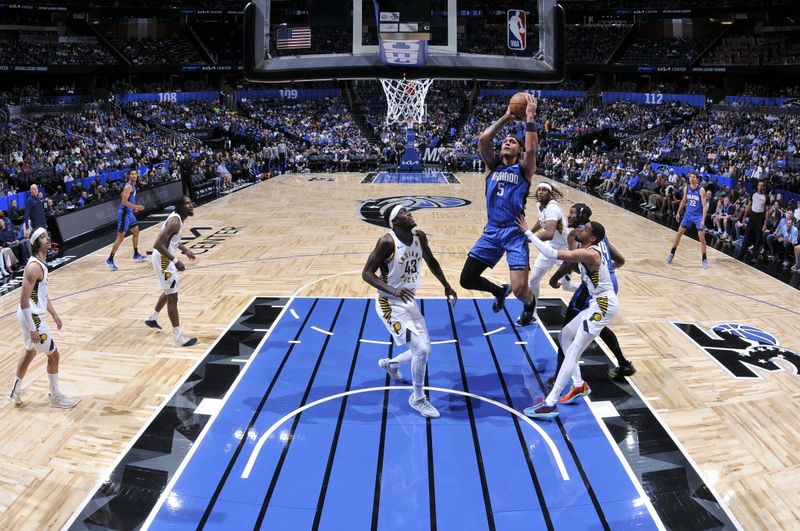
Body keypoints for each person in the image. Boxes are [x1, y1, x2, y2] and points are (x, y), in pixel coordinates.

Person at [516, 216, 618, 419]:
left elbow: (551, 252)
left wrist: (528, 232)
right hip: (597, 302)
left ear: (592, 238)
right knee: (564, 336)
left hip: (604, 305)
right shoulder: (588, 250)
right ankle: (579, 385)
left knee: (574, 350)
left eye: (586, 228)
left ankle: (550, 403)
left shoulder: (590, 254)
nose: (581, 228)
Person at [363, 205, 457, 418]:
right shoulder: (387, 242)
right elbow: (367, 274)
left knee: (426, 351)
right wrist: (393, 290)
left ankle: (392, 365)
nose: (410, 214)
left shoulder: (419, 236)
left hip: (408, 301)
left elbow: (431, 261)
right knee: (421, 350)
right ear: (395, 221)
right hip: (389, 303)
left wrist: (446, 285)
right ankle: (417, 398)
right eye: (405, 212)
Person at [459, 94, 538, 323]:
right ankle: (498, 291)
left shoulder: (524, 169)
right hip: (492, 231)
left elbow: (532, 151)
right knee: (467, 279)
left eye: (513, 142)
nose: (507, 142)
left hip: (514, 233)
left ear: (519, 149)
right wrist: (506, 117)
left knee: (521, 289)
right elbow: (484, 140)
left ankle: (530, 307)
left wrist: (529, 116)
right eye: (505, 141)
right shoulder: (491, 166)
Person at [547, 203, 635, 381]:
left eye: (571, 213)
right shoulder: (599, 234)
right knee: (597, 324)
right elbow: (620, 260)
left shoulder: (576, 234)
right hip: (610, 283)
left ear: (581, 216)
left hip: (592, 288)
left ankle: (559, 376)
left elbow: (571, 261)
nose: (568, 216)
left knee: (566, 331)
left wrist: (554, 278)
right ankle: (624, 364)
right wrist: (605, 270)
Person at [8, 227, 75, 408]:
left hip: (33, 314)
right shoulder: (34, 267)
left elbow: (42, 295)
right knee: (54, 356)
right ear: (36, 243)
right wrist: (33, 330)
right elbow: (23, 301)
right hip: (32, 317)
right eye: (43, 237)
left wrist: (54, 314)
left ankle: (15, 390)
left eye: (47, 235)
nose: (47, 238)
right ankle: (55, 397)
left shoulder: (41, 263)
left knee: (30, 352)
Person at [144, 195, 198, 347]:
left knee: (170, 290)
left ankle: (152, 318)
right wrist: (175, 261)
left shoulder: (178, 219)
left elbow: (172, 240)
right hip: (163, 258)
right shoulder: (175, 221)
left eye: (191, 202)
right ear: (180, 206)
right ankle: (178, 337)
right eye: (187, 203)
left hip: (163, 257)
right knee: (173, 297)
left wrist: (185, 250)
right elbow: (158, 244)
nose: (191, 205)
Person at [522, 182, 568, 325]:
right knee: (534, 280)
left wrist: (529, 237)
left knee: (567, 286)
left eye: (544, 190)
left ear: (550, 193)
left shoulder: (553, 208)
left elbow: (549, 233)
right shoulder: (540, 206)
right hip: (550, 248)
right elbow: (541, 221)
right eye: (539, 190)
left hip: (564, 249)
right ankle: (533, 314)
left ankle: (592, 295)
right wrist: (529, 233)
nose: (540, 192)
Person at [665, 171, 709, 269]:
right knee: (678, 234)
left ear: (697, 179)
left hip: (698, 216)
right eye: (690, 177)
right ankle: (671, 254)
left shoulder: (701, 190)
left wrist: (703, 220)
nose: (691, 179)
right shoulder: (687, 188)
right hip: (688, 215)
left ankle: (704, 259)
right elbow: (684, 200)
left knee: (702, 238)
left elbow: (705, 206)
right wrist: (678, 212)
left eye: (693, 177)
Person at [106, 168, 147, 271]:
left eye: (135, 174)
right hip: (124, 214)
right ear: (129, 176)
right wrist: (136, 207)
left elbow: (122, 196)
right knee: (120, 238)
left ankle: (136, 254)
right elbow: (124, 202)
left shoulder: (131, 186)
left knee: (136, 232)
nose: (134, 176)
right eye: (132, 174)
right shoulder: (129, 187)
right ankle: (110, 259)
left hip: (129, 213)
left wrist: (132, 209)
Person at [736, 180, 767, 262]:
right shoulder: (753, 194)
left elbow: (767, 211)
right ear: (757, 186)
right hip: (752, 215)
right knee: (747, 235)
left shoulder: (765, 196)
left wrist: (765, 224)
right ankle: (741, 254)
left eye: (762, 185)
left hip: (760, 217)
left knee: (758, 237)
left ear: (763, 187)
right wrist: (744, 217)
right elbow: (749, 206)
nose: (760, 186)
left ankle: (754, 256)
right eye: (759, 185)